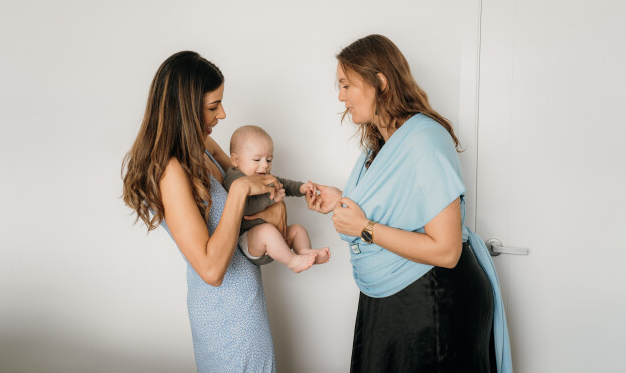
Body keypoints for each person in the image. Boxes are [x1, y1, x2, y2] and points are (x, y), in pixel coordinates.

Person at [306, 35, 512, 373]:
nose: (340, 96)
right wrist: (341, 201)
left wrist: (364, 227)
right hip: (397, 300)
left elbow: (447, 251)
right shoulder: (380, 145)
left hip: (434, 300)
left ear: (380, 82)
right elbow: (400, 206)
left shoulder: (426, 139)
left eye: (346, 85)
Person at [122, 51, 280, 372]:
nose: (222, 114)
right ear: (184, 108)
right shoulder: (170, 171)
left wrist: (286, 193)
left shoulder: (202, 147)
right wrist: (240, 192)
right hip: (225, 319)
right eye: (212, 106)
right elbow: (210, 270)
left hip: (248, 305)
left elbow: (244, 174)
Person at [223, 125, 331, 272]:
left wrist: (301, 188)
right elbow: (242, 207)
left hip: (277, 241)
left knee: (297, 229)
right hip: (250, 240)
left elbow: (283, 184)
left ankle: (304, 251)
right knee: (266, 231)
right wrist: (271, 199)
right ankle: (292, 261)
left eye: (268, 160)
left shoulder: (262, 176)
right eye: (256, 159)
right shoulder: (236, 179)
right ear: (235, 160)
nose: (264, 165)